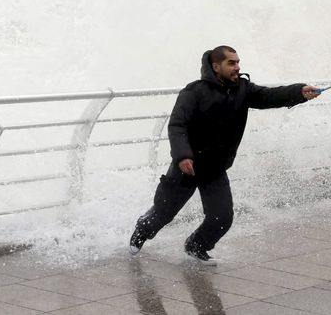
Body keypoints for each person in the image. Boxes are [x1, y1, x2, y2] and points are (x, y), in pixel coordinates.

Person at [129, 45, 320, 264]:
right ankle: (141, 231)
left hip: (215, 168)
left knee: (222, 218)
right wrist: (183, 156)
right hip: (186, 167)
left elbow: (270, 96)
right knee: (163, 213)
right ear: (215, 66)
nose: (237, 67)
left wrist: (299, 92)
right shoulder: (194, 92)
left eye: (238, 62)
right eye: (232, 63)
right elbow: (177, 126)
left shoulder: (243, 89)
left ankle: (196, 246)